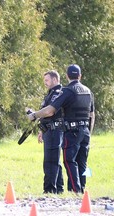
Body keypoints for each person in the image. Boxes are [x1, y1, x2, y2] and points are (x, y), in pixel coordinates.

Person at [27, 64, 95, 193]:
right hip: (85, 130)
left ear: (67, 76)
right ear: (80, 76)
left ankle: (75, 191)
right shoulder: (87, 91)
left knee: (69, 160)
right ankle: (82, 191)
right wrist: (89, 133)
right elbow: (92, 115)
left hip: (72, 131)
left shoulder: (67, 91)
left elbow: (50, 111)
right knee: (82, 162)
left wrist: (34, 115)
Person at [37, 70, 64, 194]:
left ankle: (49, 190)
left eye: (47, 80)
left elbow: (50, 112)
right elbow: (45, 115)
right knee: (54, 161)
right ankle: (58, 189)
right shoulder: (50, 94)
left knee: (50, 161)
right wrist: (41, 130)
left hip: (54, 130)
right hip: (49, 130)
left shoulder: (58, 93)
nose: (45, 83)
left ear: (55, 79)